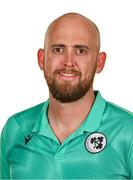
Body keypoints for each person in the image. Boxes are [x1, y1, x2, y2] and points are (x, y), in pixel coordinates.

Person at [0, 12, 133, 179]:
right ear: (42, 59)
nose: (68, 62)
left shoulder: (128, 131)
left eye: (81, 51)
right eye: (58, 49)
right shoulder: (16, 129)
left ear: (100, 62)